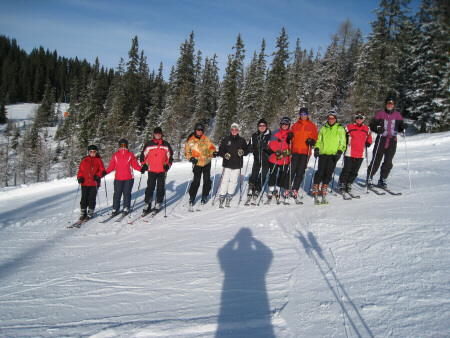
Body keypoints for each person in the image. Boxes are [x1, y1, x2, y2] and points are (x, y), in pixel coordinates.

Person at [367, 96, 406, 189]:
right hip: (381, 139)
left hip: (392, 140)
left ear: (394, 105)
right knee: (376, 159)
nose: (390, 105)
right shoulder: (381, 114)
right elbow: (372, 125)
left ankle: (383, 179)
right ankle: (370, 177)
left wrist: (403, 127)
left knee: (388, 161)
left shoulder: (397, 115)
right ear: (386, 104)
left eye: (392, 103)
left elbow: (400, 126)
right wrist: (378, 128)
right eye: (388, 103)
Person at [313, 111, 346, 204]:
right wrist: (316, 148)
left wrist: (339, 151)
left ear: (335, 119)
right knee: (320, 171)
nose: (331, 120)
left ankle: (324, 188)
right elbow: (319, 140)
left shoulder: (340, 129)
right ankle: (315, 187)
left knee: (328, 172)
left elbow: (342, 142)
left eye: (332, 118)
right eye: (329, 118)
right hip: (323, 153)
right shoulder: (323, 129)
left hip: (333, 154)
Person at [140, 127, 173, 215]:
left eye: (159, 133)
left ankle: (158, 203)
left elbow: (170, 156)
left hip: (162, 170)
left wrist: (168, 166)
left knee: (160, 188)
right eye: (156, 133)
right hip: (152, 170)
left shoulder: (166, 144)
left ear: (161, 134)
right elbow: (143, 155)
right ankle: (147, 204)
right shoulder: (149, 144)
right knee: (150, 187)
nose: (158, 135)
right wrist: (143, 165)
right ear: (154, 134)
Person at [104, 139, 142, 216]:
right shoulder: (116, 155)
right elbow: (111, 166)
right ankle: (115, 209)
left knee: (127, 193)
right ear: (119, 146)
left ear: (127, 146)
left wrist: (141, 169)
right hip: (118, 178)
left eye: (125, 146)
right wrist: (105, 172)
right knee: (117, 193)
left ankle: (126, 207)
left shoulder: (130, 155)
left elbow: (135, 165)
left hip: (129, 178)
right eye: (121, 146)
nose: (123, 147)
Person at [338, 112, 372, 194]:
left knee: (355, 170)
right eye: (357, 118)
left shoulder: (366, 128)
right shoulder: (350, 127)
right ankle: (342, 183)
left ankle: (349, 183)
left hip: (360, 153)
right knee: (346, 169)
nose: (359, 119)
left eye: (360, 118)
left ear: (363, 119)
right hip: (350, 152)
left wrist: (369, 143)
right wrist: (345, 141)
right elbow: (343, 135)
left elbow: (369, 138)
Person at [185, 123, 217, 206]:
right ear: (195, 130)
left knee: (206, 181)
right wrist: (191, 158)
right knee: (196, 181)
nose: (199, 131)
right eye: (198, 130)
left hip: (206, 162)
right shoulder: (191, 141)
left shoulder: (206, 140)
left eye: (201, 130)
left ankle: (204, 196)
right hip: (197, 163)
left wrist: (214, 153)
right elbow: (187, 152)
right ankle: (192, 197)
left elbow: (211, 149)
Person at [217, 123, 249, 207]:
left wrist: (243, 152)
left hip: (237, 164)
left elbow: (247, 150)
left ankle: (229, 195)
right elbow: (221, 150)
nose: (234, 131)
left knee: (233, 181)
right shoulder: (226, 139)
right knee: (225, 180)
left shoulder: (241, 140)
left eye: (236, 130)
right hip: (227, 163)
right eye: (232, 130)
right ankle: (222, 195)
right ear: (231, 130)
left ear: (238, 130)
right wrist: (224, 155)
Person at [289, 108, 318, 202]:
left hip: (305, 152)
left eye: (305, 113)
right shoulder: (295, 126)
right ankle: (287, 188)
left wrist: (313, 141)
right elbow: (291, 139)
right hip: (296, 151)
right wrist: (290, 138)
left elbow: (315, 137)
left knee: (300, 172)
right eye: (301, 114)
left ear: (307, 114)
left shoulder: (312, 126)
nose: (303, 115)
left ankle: (295, 189)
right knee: (291, 171)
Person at [245, 118, 272, 204]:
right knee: (254, 174)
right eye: (260, 125)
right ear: (258, 127)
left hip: (266, 160)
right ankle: (251, 187)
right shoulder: (254, 135)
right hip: (257, 159)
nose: (262, 127)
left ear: (266, 126)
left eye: (264, 125)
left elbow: (272, 150)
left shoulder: (270, 135)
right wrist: (250, 147)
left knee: (263, 176)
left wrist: (266, 147)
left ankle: (257, 189)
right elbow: (249, 145)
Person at [266, 117, 292, 203]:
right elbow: (271, 143)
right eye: (283, 124)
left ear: (289, 125)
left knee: (282, 175)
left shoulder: (291, 134)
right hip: (275, 157)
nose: (285, 126)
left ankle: (277, 188)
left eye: (286, 124)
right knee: (273, 174)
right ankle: (270, 189)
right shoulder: (275, 132)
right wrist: (276, 151)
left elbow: (293, 145)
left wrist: (288, 151)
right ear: (281, 124)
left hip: (285, 159)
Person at [76, 145, 106, 220]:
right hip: (85, 182)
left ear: (96, 152)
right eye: (91, 152)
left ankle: (90, 211)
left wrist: (98, 176)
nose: (92, 153)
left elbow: (102, 170)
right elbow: (80, 170)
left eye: (94, 152)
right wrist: (79, 177)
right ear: (88, 152)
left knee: (92, 198)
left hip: (94, 182)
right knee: (84, 198)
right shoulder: (85, 160)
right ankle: (83, 212)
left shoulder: (99, 160)